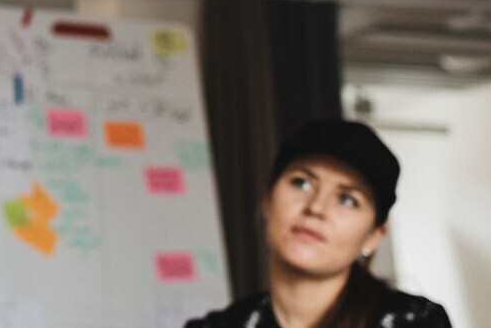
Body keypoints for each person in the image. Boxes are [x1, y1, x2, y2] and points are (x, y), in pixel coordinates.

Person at [187, 120, 452, 328]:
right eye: (301, 183)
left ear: (374, 235)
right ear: (267, 199)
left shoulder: (415, 322)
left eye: (347, 199)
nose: (316, 208)